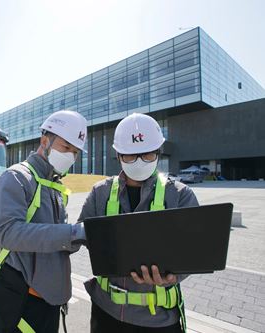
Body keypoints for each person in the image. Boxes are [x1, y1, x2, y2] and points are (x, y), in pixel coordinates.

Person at [78, 113, 199, 333]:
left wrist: (173, 276)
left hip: (159, 320)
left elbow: (194, 250)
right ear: (118, 154)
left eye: (147, 154)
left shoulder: (180, 195)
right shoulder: (100, 192)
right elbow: (81, 233)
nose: (139, 161)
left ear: (158, 152)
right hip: (107, 313)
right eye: (131, 156)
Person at [0, 110, 88, 333]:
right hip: (22, 300)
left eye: (76, 152)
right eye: (66, 147)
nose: (71, 156)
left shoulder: (55, 186)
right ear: (44, 141)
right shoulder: (17, 177)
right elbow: (8, 233)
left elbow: (54, 241)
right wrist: (72, 234)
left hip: (49, 300)